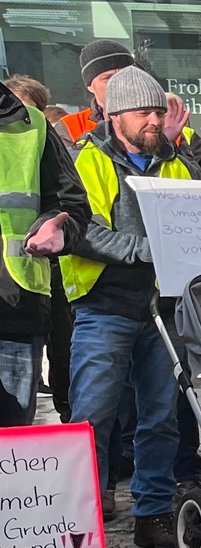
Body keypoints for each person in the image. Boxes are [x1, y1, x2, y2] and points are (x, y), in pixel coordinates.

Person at [61, 67, 201, 548]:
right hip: (104, 304)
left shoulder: (178, 163)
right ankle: (77, 517)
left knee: (161, 417)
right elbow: (81, 230)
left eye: (158, 111)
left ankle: (151, 512)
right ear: (115, 117)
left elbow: (200, 222)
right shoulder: (87, 160)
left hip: (164, 307)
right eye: (144, 113)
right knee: (93, 415)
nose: (154, 120)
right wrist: (146, 250)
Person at [0, 75, 84, 428]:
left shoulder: (32, 125)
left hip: (15, 313)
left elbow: (72, 205)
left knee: (11, 448)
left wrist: (58, 227)